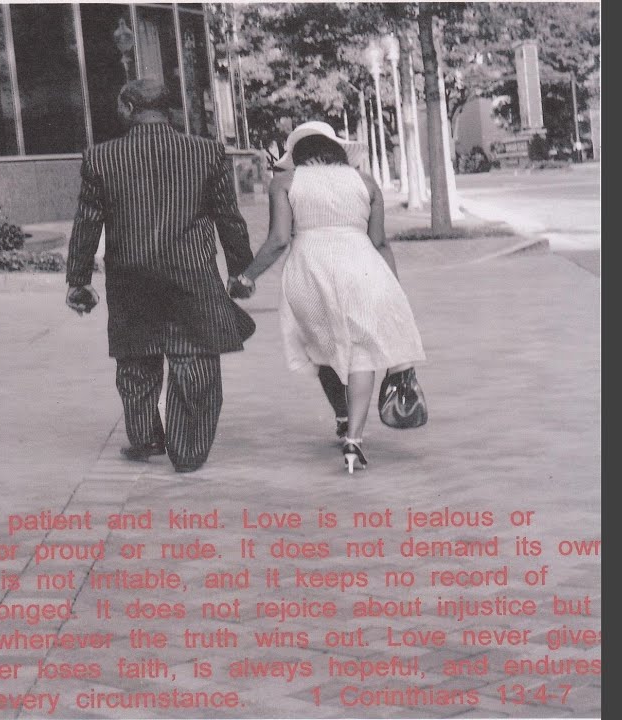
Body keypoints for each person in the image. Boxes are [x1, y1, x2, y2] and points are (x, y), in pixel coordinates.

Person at [65, 79, 255, 474]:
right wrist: (241, 271)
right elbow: (228, 218)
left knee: (136, 358)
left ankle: (145, 437)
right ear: (168, 110)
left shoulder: (101, 157)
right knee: (195, 360)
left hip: (130, 276)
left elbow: (87, 223)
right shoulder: (207, 152)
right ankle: (188, 451)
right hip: (192, 272)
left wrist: (79, 281)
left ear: (129, 106)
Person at [231, 121, 425, 473]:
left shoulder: (285, 182)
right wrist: (394, 289)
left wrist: (247, 277)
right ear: (336, 149)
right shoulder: (366, 183)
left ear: (298, 153)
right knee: (361, 352)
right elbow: (380, 241)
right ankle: (354, 439)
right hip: (363, 267)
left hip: (310, 270)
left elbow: (278, 240)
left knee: (322, 348)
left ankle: (342, 414)